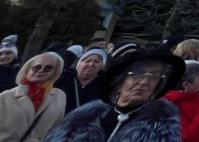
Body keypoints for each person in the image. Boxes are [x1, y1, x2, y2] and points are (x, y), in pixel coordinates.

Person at [43, 47, 185, 142]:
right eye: (137, 74)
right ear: (120, 80)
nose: (144, 82)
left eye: (154, 76)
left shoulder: (162, 127)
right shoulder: (84, 117)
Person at [0, 52, 66, 142]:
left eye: (48, 68)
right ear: (28, 69)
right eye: (37, 67)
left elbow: (56, 128)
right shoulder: (6, 96)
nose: (41, 70)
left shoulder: (60, 96)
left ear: (55, 72)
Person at [55, 47, 106, 114]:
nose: (91, 64)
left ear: (102, 66)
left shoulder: (104, 85)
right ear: (79, 63)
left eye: (96, 62)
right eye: (87, 61)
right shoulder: (63, 77)